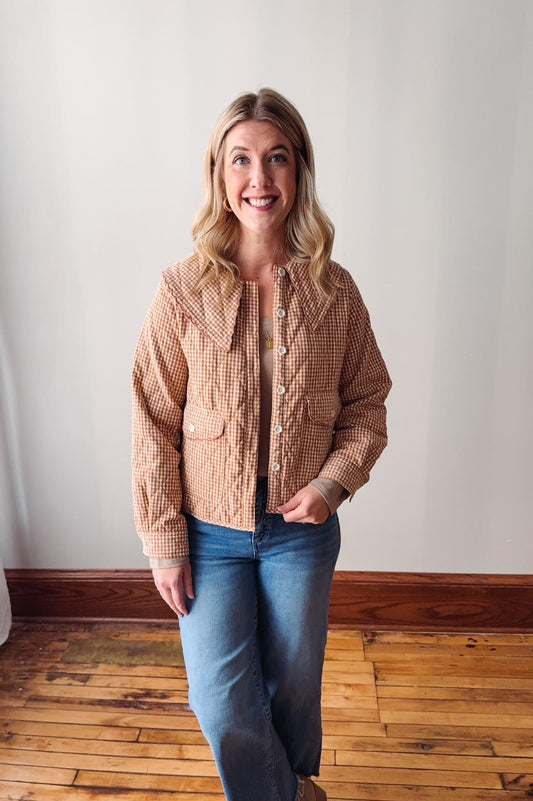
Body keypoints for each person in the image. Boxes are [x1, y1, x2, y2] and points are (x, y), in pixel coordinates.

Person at [132, 88, 391, 801]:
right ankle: (292, 795)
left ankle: (285, 784)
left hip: (299, 535)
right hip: (206, 533)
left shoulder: (335, 293)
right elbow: (152, 415)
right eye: (240, 158)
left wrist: (331, 483)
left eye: (277, 158)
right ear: (218, 173)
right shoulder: (181, 291)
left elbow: (368, 404)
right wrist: (163, 541)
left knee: (288, 689)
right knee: (220, 699)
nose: (259, 178)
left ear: (299, 172)